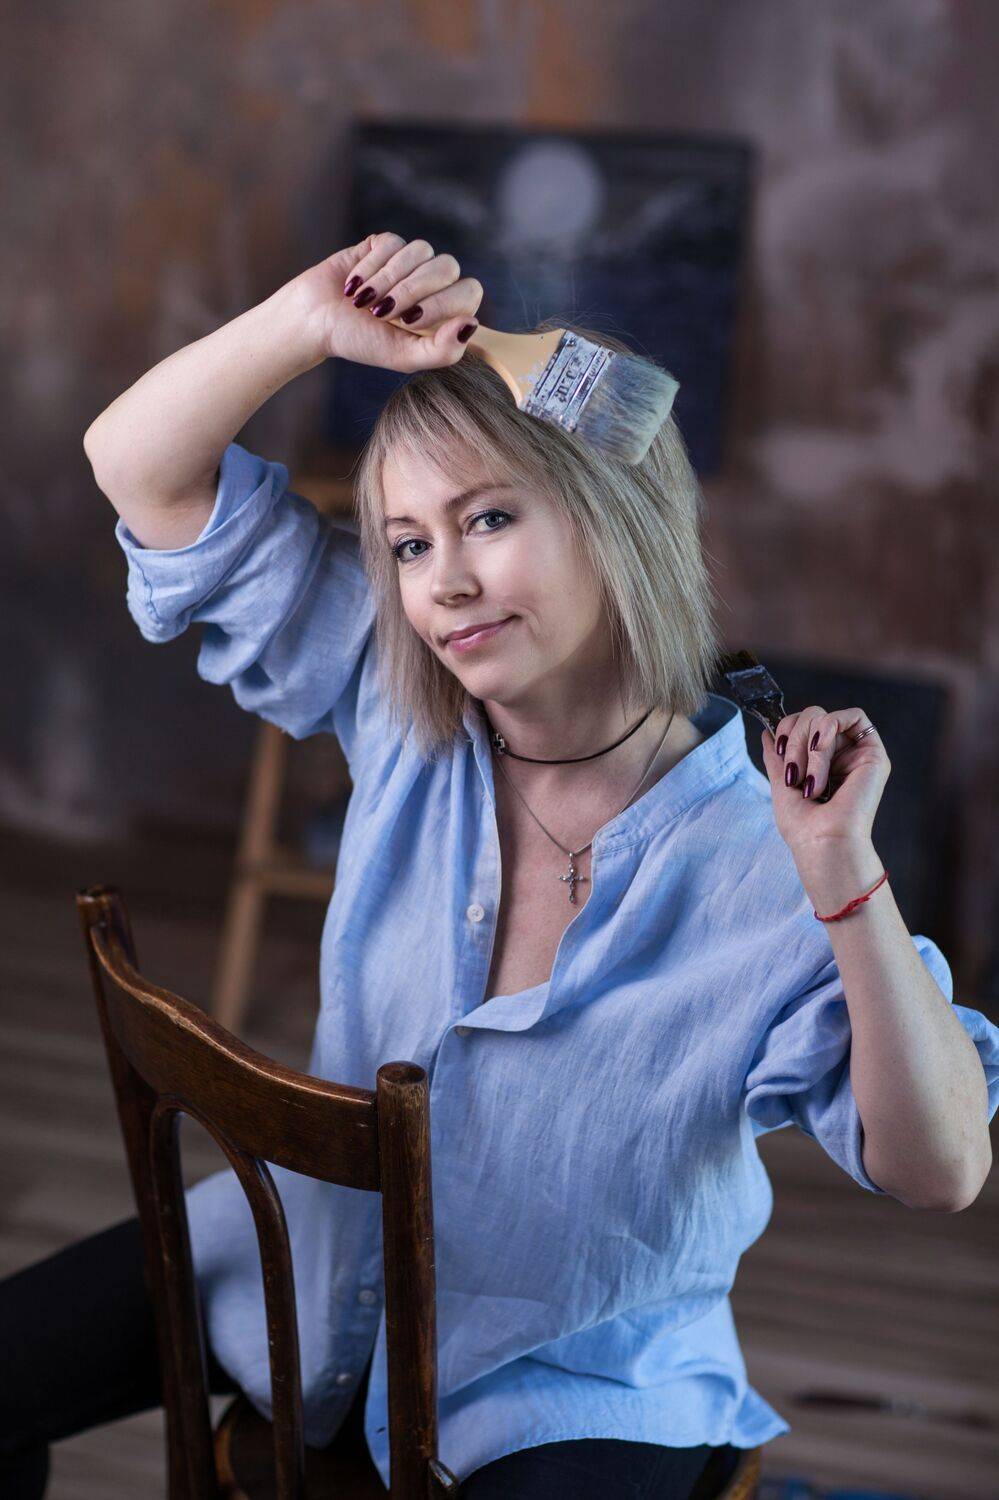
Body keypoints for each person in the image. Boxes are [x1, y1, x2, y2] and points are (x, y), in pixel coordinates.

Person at [4, 232, 996, 1499]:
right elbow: (132, 464)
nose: (447, 585)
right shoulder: (395, 700)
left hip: (574, 1374)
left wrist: (846, 883)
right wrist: (309, 320)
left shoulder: (767, 862)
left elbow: (941, 1169)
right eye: (409, 545)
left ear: (615, 518)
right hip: (302, 1270)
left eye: (488, 518)